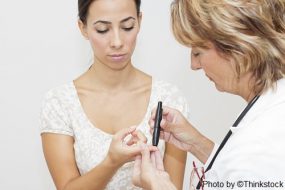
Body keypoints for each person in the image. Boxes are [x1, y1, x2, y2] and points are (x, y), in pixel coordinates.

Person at [132, 0, 285, 189]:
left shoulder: (257, 148)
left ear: (237, 47)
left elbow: (245, 167)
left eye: (197, 52)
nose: (193, 65)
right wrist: (197, 143)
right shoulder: (272, 108)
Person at [39, 0, 188, 189]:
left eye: (127, 27)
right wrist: (111, 162)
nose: (117, 42)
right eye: (102, 30)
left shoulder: (168, 99)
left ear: (140, 21)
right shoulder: (59, 103)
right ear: (82, 28)